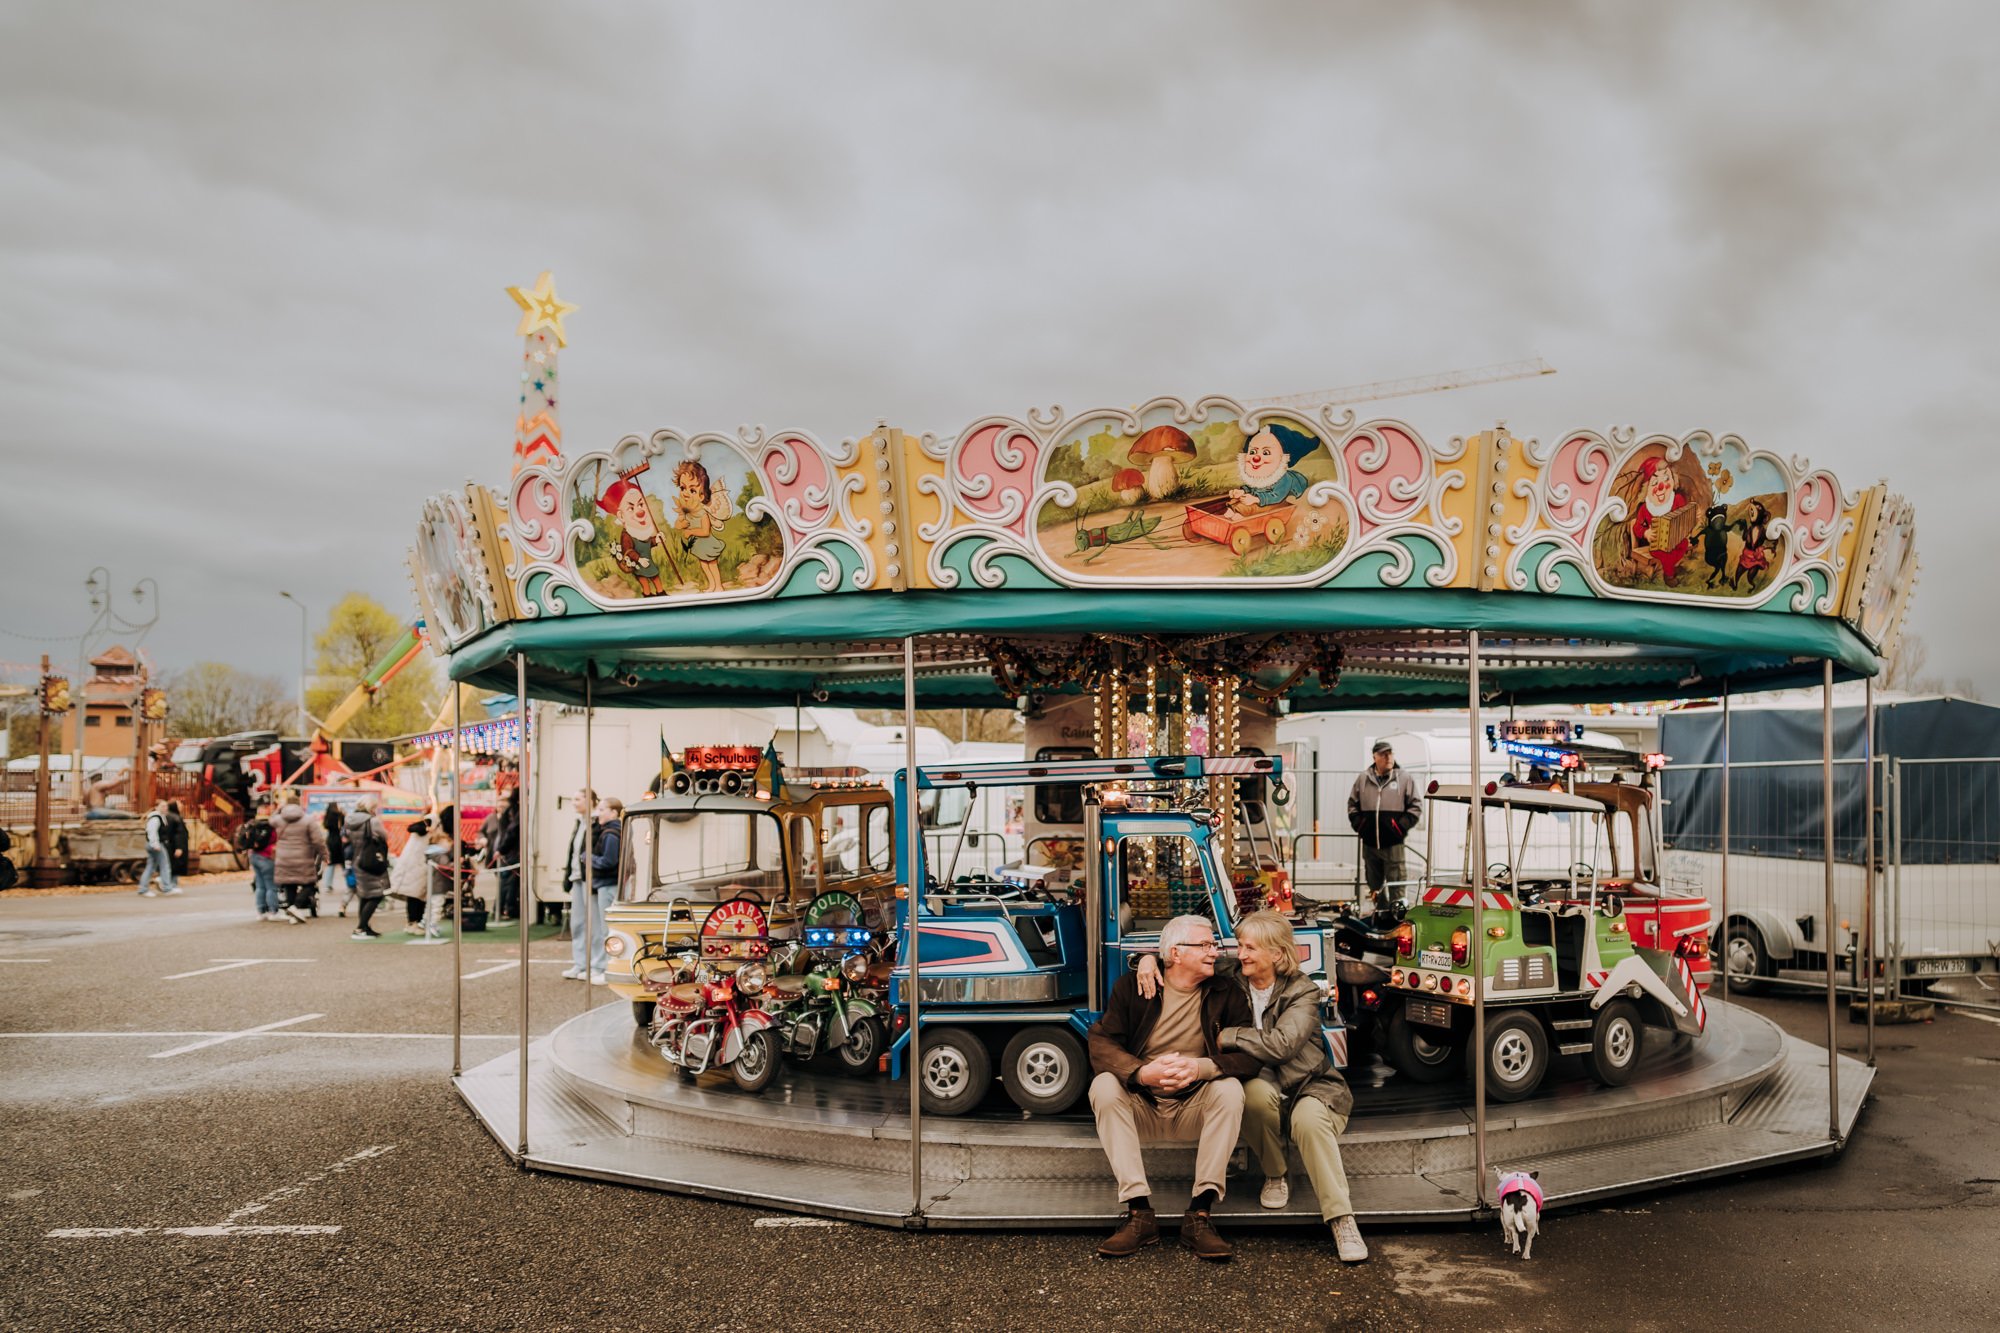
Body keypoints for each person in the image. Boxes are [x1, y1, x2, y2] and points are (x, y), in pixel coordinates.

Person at [1138, 911, 1366, 1262]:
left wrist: (1230, 1035)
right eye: (1240, 946)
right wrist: (1148, 960)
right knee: (1249, 1093)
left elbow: (1282, 1046)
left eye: (1249, 947)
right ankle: (1276, 1175)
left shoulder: (1302, 991)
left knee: (1309, 1121)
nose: (1239, 953)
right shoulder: (1233, 975)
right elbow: (1187, 958)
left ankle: (1341, 1219)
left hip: (1310, 1084)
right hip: (1262, 1082)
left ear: (1276, 954)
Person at [1085, 914, 1259, 1261]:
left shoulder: (1227, 992)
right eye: (1206, 945)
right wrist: (1141, 1073)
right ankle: (1139, 1212)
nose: (1214, 951)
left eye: (1213, 944)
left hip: (1192, 1104)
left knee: (1229, 1091)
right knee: (1104, 1085)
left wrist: (1201, 1068)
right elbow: (1100, 1044)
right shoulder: (1133, 988)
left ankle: (1200, 1213)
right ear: (1176, 954)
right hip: (1143, 1105)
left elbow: (1251, 1056)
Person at [1348, 740, 1420, 905]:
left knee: (1397, 885)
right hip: (1370, 845)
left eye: (1390, 753)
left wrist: (1398, 828)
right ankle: (1380, 916)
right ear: (1375, 757)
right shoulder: (1363, 779)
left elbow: (1415, 807)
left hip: (1393, 845)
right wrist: (1361, 826)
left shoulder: (1404, 779)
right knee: (1374, 887)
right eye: (1383, 754)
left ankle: (1397, 921)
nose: (1388, 757)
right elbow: (1352, 805)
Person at [566, 796, 621, 983]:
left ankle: (604, 967)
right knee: (592, 925)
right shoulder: (606, 830)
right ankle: (594, 965)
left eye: (603, 809)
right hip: (596, 881)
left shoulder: (610, 832)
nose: (599, 813)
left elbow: (609, 860)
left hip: (603, 882)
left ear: (613, 812)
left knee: (604, 928)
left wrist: (589, 858)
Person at [345, 799, 392, 939]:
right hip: (371, 859)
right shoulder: (372, 821)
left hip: (358, 859)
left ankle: (364, 927)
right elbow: (384, 836)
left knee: (365, 895)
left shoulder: (350, 820)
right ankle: (360, 928)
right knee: (377, 894)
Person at [271, 799, 327, 915]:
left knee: (290, 884)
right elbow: (318, 841)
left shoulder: (278, 820)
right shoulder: (308, 820)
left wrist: (278, 810)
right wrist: (324, 854)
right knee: (310, 883)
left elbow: (270, 821)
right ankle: (296, 907)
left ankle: (292, 910)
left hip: (283, 858)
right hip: (303, 857)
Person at [234, 800, 286, 922]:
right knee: (271, 886)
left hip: (254, 857)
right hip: (267, 857)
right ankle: (273, 911)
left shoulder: (253, 823)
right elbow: (275, 840)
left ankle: (260, 911)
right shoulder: (270, 826)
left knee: (260, 886)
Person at [561, 788, 597, 935]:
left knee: (593, 921)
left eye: (577, 799)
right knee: (577, 923)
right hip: (577, 876)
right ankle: (581, 958)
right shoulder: (580, 823)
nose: (574, 803)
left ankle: (596, 957)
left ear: (589, 801)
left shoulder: (595, 823)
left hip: (589, 877)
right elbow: (573, 852)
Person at [390, 817, 433, 931]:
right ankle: (413, 923)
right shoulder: (430, 823)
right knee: (415, 895)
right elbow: (412, 828)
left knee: (418, 895)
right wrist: (428, 827)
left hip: (418, 865)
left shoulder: (430, 826)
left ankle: (415, 923)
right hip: (414, 866)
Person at [137, 799, 181, 897]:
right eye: (163, 806)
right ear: (156, 807)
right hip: (156, 845)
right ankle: (167, 888)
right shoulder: (156, 818)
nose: (165, 808)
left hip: (154, 844)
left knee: (151, 867)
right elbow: (152, 832)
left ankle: (143, 888)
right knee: (165, 865)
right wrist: (155, 844)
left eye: (166, 806)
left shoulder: (159, 817)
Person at [490, 790, 521, 921]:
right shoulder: (515, 812)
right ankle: (505, 908)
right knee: (509, 881)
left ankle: (502, 908)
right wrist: (502, 850)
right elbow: (511, 833)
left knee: (507, 881)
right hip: (511, 852)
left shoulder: (510, 812)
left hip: (507, 851)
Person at [321, 803, 351, 916]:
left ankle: (327, 885)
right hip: (340, 842)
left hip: (330, 842)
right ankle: (349, 883)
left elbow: (325, 826)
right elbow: (344, 826)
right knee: (345, 864)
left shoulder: (328, 817)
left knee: (330, 864)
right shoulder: (340, 815)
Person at [164, 800, 190, 880]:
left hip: (171, 846)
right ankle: (170, 886)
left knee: (172, 866)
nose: (181, 806)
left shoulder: (169, 816)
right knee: (175, 866)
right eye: (179, 805)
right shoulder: (176, 818)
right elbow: (179, 834)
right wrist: (179, 847)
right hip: (175, 846)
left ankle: (169, 885)